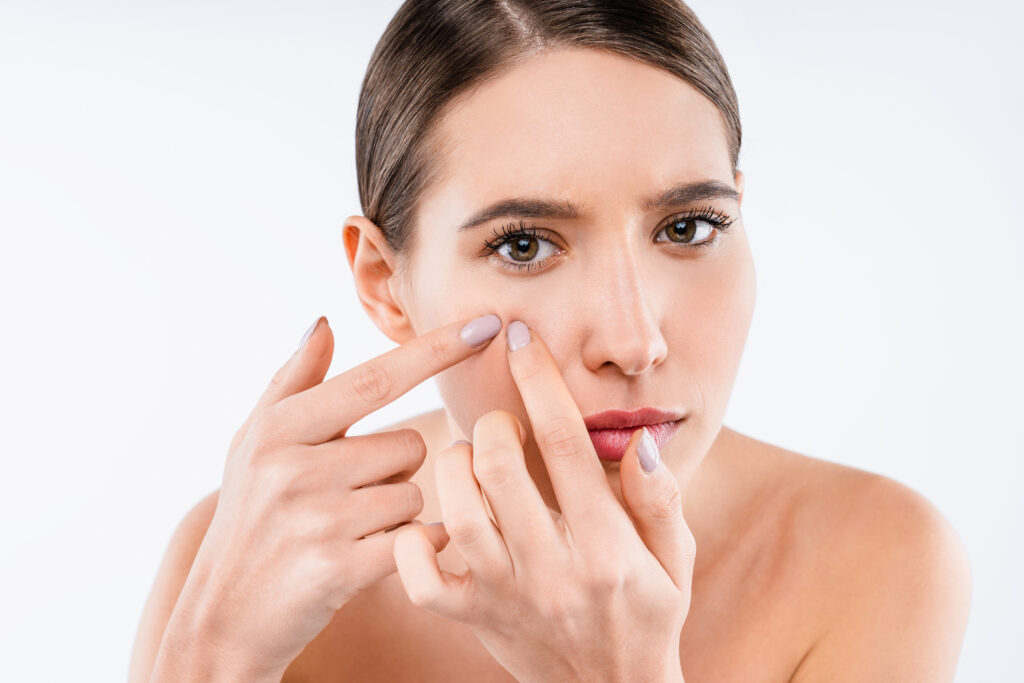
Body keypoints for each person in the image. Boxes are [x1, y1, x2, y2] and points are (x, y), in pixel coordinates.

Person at [130, 1, 972, 681]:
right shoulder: (255, 562)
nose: (634, 340)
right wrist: (209, 661)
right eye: (524, 244)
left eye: (689, 225)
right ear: (387, 284)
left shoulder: (875, 557)